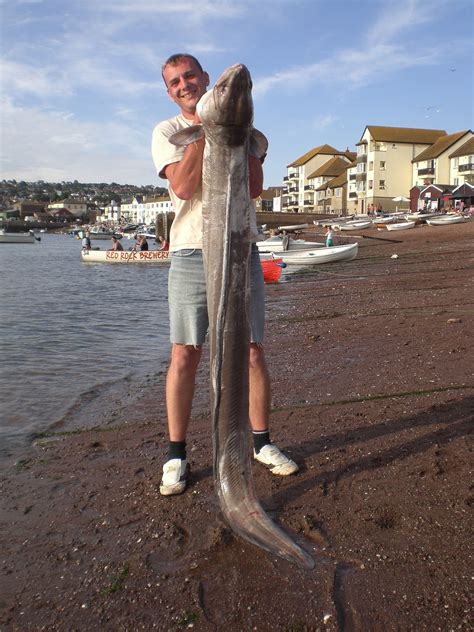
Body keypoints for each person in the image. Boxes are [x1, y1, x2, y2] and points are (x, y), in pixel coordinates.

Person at [152, 53, 298, 496]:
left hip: (240, 247)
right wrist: (207, 131)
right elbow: (181, 186)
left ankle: (261, 443)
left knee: (252, 350)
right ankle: (176, 454)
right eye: (174, 81)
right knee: (185, 354)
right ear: (169, 89)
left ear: (206, 79)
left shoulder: (253, 134)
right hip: (192, 250)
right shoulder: (168, 132)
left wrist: (241, 134)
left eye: (190, 76)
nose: (183, 85)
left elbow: (254, 187)